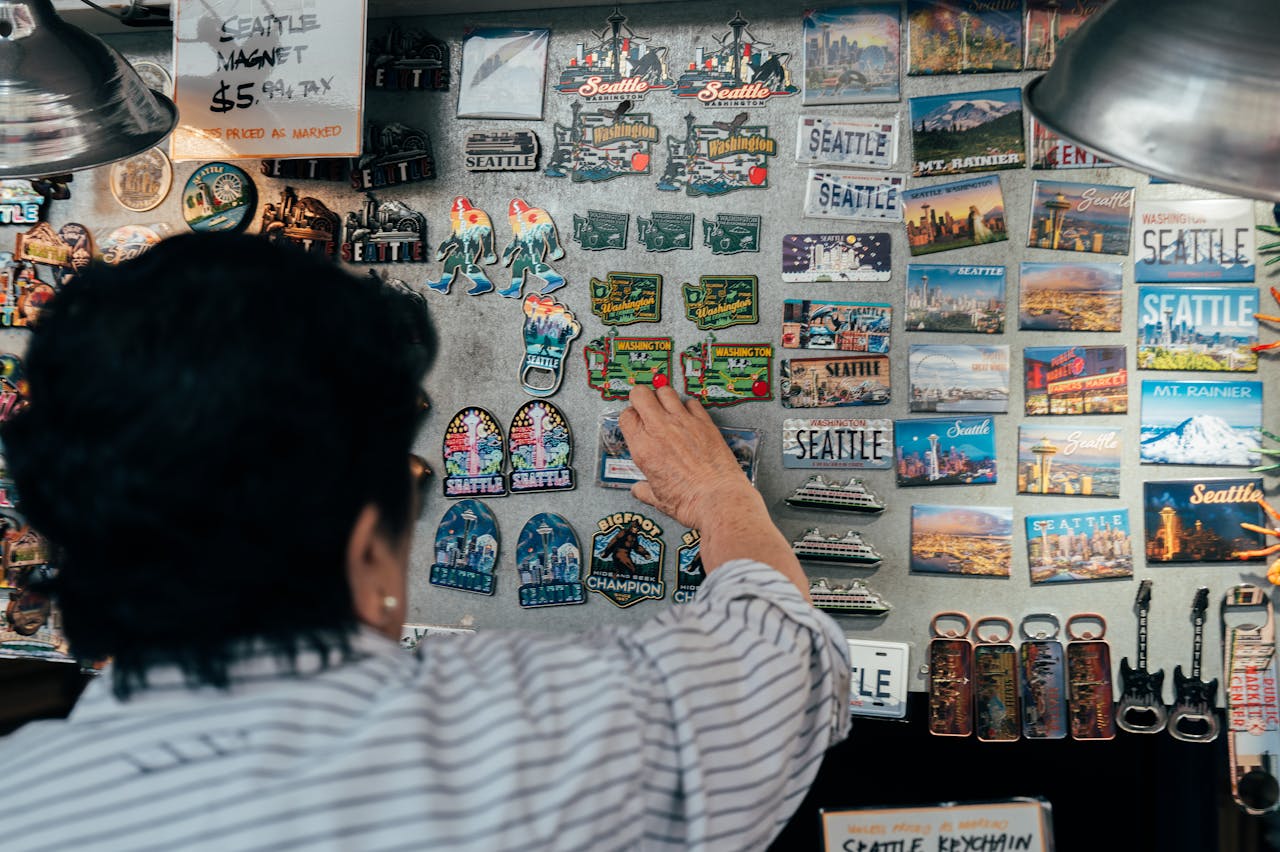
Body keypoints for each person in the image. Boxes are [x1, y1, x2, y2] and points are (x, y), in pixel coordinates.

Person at [0, 232, 850, 851]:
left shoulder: (21, 805)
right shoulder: (550, 747)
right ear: (371, 551)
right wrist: (713, 494)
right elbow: (783, 649)